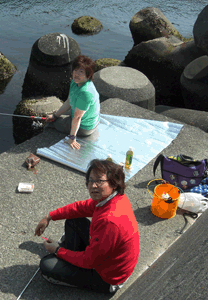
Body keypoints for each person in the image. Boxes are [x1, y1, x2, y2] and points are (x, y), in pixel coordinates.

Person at [34, 159, 140, 294]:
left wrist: (57, 250)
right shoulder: (114, 198)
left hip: (108, 278)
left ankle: (70, 268)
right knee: (73, 220)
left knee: (46, 265)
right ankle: (70, 258)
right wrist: (49, 216)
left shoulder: (109, 221)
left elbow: (90, 261)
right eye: (90, 180)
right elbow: (80, 208)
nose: (93, 186)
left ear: (113, 183)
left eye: (99, 181)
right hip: (107, 258)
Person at [46, 55, 100, 150]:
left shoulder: (86, 92)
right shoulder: (75, 83)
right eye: (75, 70)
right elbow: (68, 101)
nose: (76, 74)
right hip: (82, 116)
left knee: (50, 124)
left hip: (85, 127)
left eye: (81, 72)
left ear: (88, 75)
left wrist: (72, 138)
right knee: (54, 117)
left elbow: (77, 117)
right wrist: (55, 115)